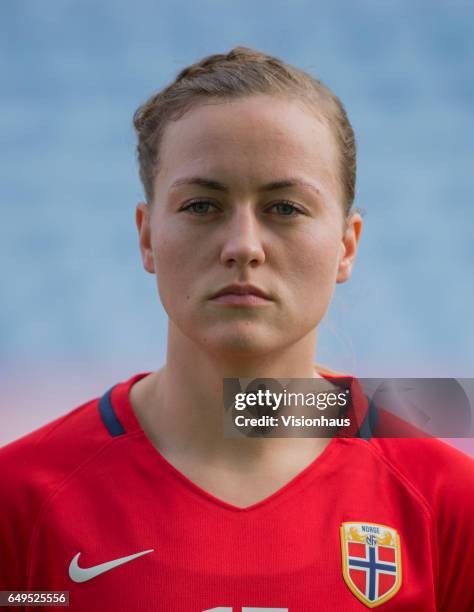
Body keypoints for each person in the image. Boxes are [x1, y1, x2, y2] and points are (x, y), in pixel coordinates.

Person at [0, 46, 473, 611]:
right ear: (147, 236)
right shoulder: (21, 498)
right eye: (202, 206)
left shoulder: (446, 501)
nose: (243, 246)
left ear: (347, 245)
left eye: (286, 208)